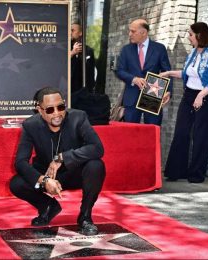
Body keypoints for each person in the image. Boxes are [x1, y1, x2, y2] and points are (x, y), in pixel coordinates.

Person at [10, 87, 106, 236]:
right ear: (40, 110)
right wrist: (44, 180)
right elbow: (20, 162)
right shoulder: (30, 125)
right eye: (50, 110)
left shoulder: (78, 118)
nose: (57, 113)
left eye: (61, 107)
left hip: (74, 174)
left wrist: (62, 158)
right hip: (46, 179)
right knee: (17, 183)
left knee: (96, 166)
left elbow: (97, 148)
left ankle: (85, 217)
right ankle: (48, 206)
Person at [159, 22, 208, 183]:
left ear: (200, 36)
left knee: (201, 136)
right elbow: (187, 73)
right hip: (189, 96)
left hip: (207, 97)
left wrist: (201, 94)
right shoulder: (193, 53)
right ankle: (176, 171)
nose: (189, 37)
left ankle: (196, 174)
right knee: (181, 132)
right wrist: (168, 73)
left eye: (191, 34)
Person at [116, 18, 172, 126]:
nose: (129, 34)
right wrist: (134, 79)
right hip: (131, 96)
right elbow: (120, 71)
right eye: (130, 31)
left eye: (133, 31)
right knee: (130, 133)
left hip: (153, 93)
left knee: (152, 132)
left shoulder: (159, 48)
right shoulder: (126, 50)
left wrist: (168, 91)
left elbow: (167, 71)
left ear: (144, 32)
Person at [70, 22, 95, 95]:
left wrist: (91, 89)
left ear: (80, 33)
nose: (70, 33)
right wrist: (73, 52)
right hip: (68, 89)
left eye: (73, 30)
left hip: (83, 90)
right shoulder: (65, 48)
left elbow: (91, 72)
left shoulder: (88, 50)